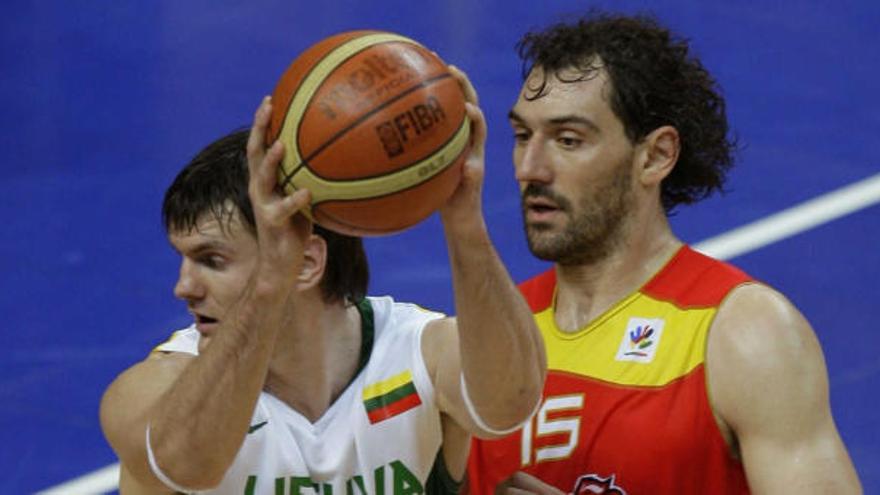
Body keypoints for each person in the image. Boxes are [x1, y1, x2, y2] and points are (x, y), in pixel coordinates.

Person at [465, 10, 862, 495]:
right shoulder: (489, 335)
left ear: (655, 156)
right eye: (523, 136)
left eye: (568, 140)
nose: (530, 168)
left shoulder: (744, 335)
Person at [99, 68, 547, 494]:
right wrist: (269, 286)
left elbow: (509, 407)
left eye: (212, 260)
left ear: (307, 262)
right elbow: (189, 465)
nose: (184, 287)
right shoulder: (156, 389)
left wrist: (463, 220)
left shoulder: (419, 354)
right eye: (185, 260)